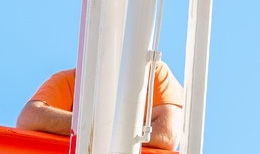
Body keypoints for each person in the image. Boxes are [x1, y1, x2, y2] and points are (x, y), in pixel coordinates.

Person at [15, 59, 184, 149]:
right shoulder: (72, 80)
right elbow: (30, 118)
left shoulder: (153, 73)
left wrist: (90, 129)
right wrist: (108, 129)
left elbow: (166, 135)